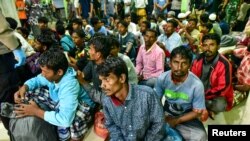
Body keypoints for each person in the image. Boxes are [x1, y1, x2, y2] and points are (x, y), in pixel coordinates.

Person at [14, 49, 95, 141]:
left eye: (45, 72)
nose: (42, 74)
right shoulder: (54, 74)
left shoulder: (70, 85)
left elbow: (65, 119)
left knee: (74, 119)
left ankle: (76, 136)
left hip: (82, 106)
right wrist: (25, 87)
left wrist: (36, 111)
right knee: (29, 91)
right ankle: (51, 116)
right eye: (42, 70)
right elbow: (38, 80)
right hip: (60, 99)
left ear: (59, 72)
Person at [97, 57, 166, 140]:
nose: (102, 85)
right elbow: (112, 126)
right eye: (101, 81)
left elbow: (158, 125)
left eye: (107, 80)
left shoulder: (147, 95)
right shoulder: (106, 101)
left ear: (122, 78)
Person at [154, 46, 207, 140]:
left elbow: (197, 112)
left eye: (184, 63)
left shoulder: (197, 85)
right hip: (166, 113)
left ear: (190, 65)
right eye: (176, 62)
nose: (179, 68)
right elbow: (156, 101)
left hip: (187, 117)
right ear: (170, 63)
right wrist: (161, 116)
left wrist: (176, 120)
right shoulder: (162, 78)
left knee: (201, 137)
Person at [191, 33, 234, 119]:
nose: (208, 48)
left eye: (212, 45)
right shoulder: (197, 59)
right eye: (205, 45)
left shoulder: (224, 64)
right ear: (202, 47)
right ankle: (204, 107)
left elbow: (223, 87)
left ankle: (201, 106)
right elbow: (192, 78)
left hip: (213, 94)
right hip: (199, 91)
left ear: (218, 46)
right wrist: (195, 92)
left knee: (220, 106)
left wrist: (204, 95)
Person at [0, 11, 26, 139]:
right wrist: (16, 47)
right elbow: (1, 28)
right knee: (9, 97)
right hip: (2, 57)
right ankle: (17, 132)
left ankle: (14, 132)